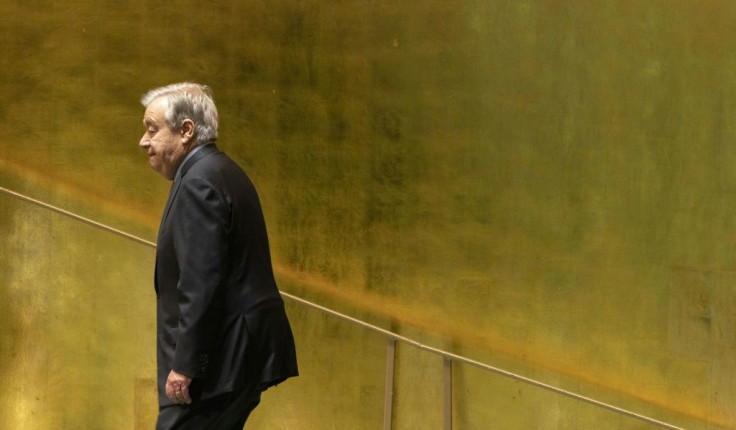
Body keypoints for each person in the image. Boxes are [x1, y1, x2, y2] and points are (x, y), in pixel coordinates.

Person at [138, 82, 298, 429]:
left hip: (219, 364)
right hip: (234, 355)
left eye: (152, 129)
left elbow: (200, 281)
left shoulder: (199, 181)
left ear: (186, 131)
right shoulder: (216, 171)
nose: (144, 140)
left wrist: (185, 366)